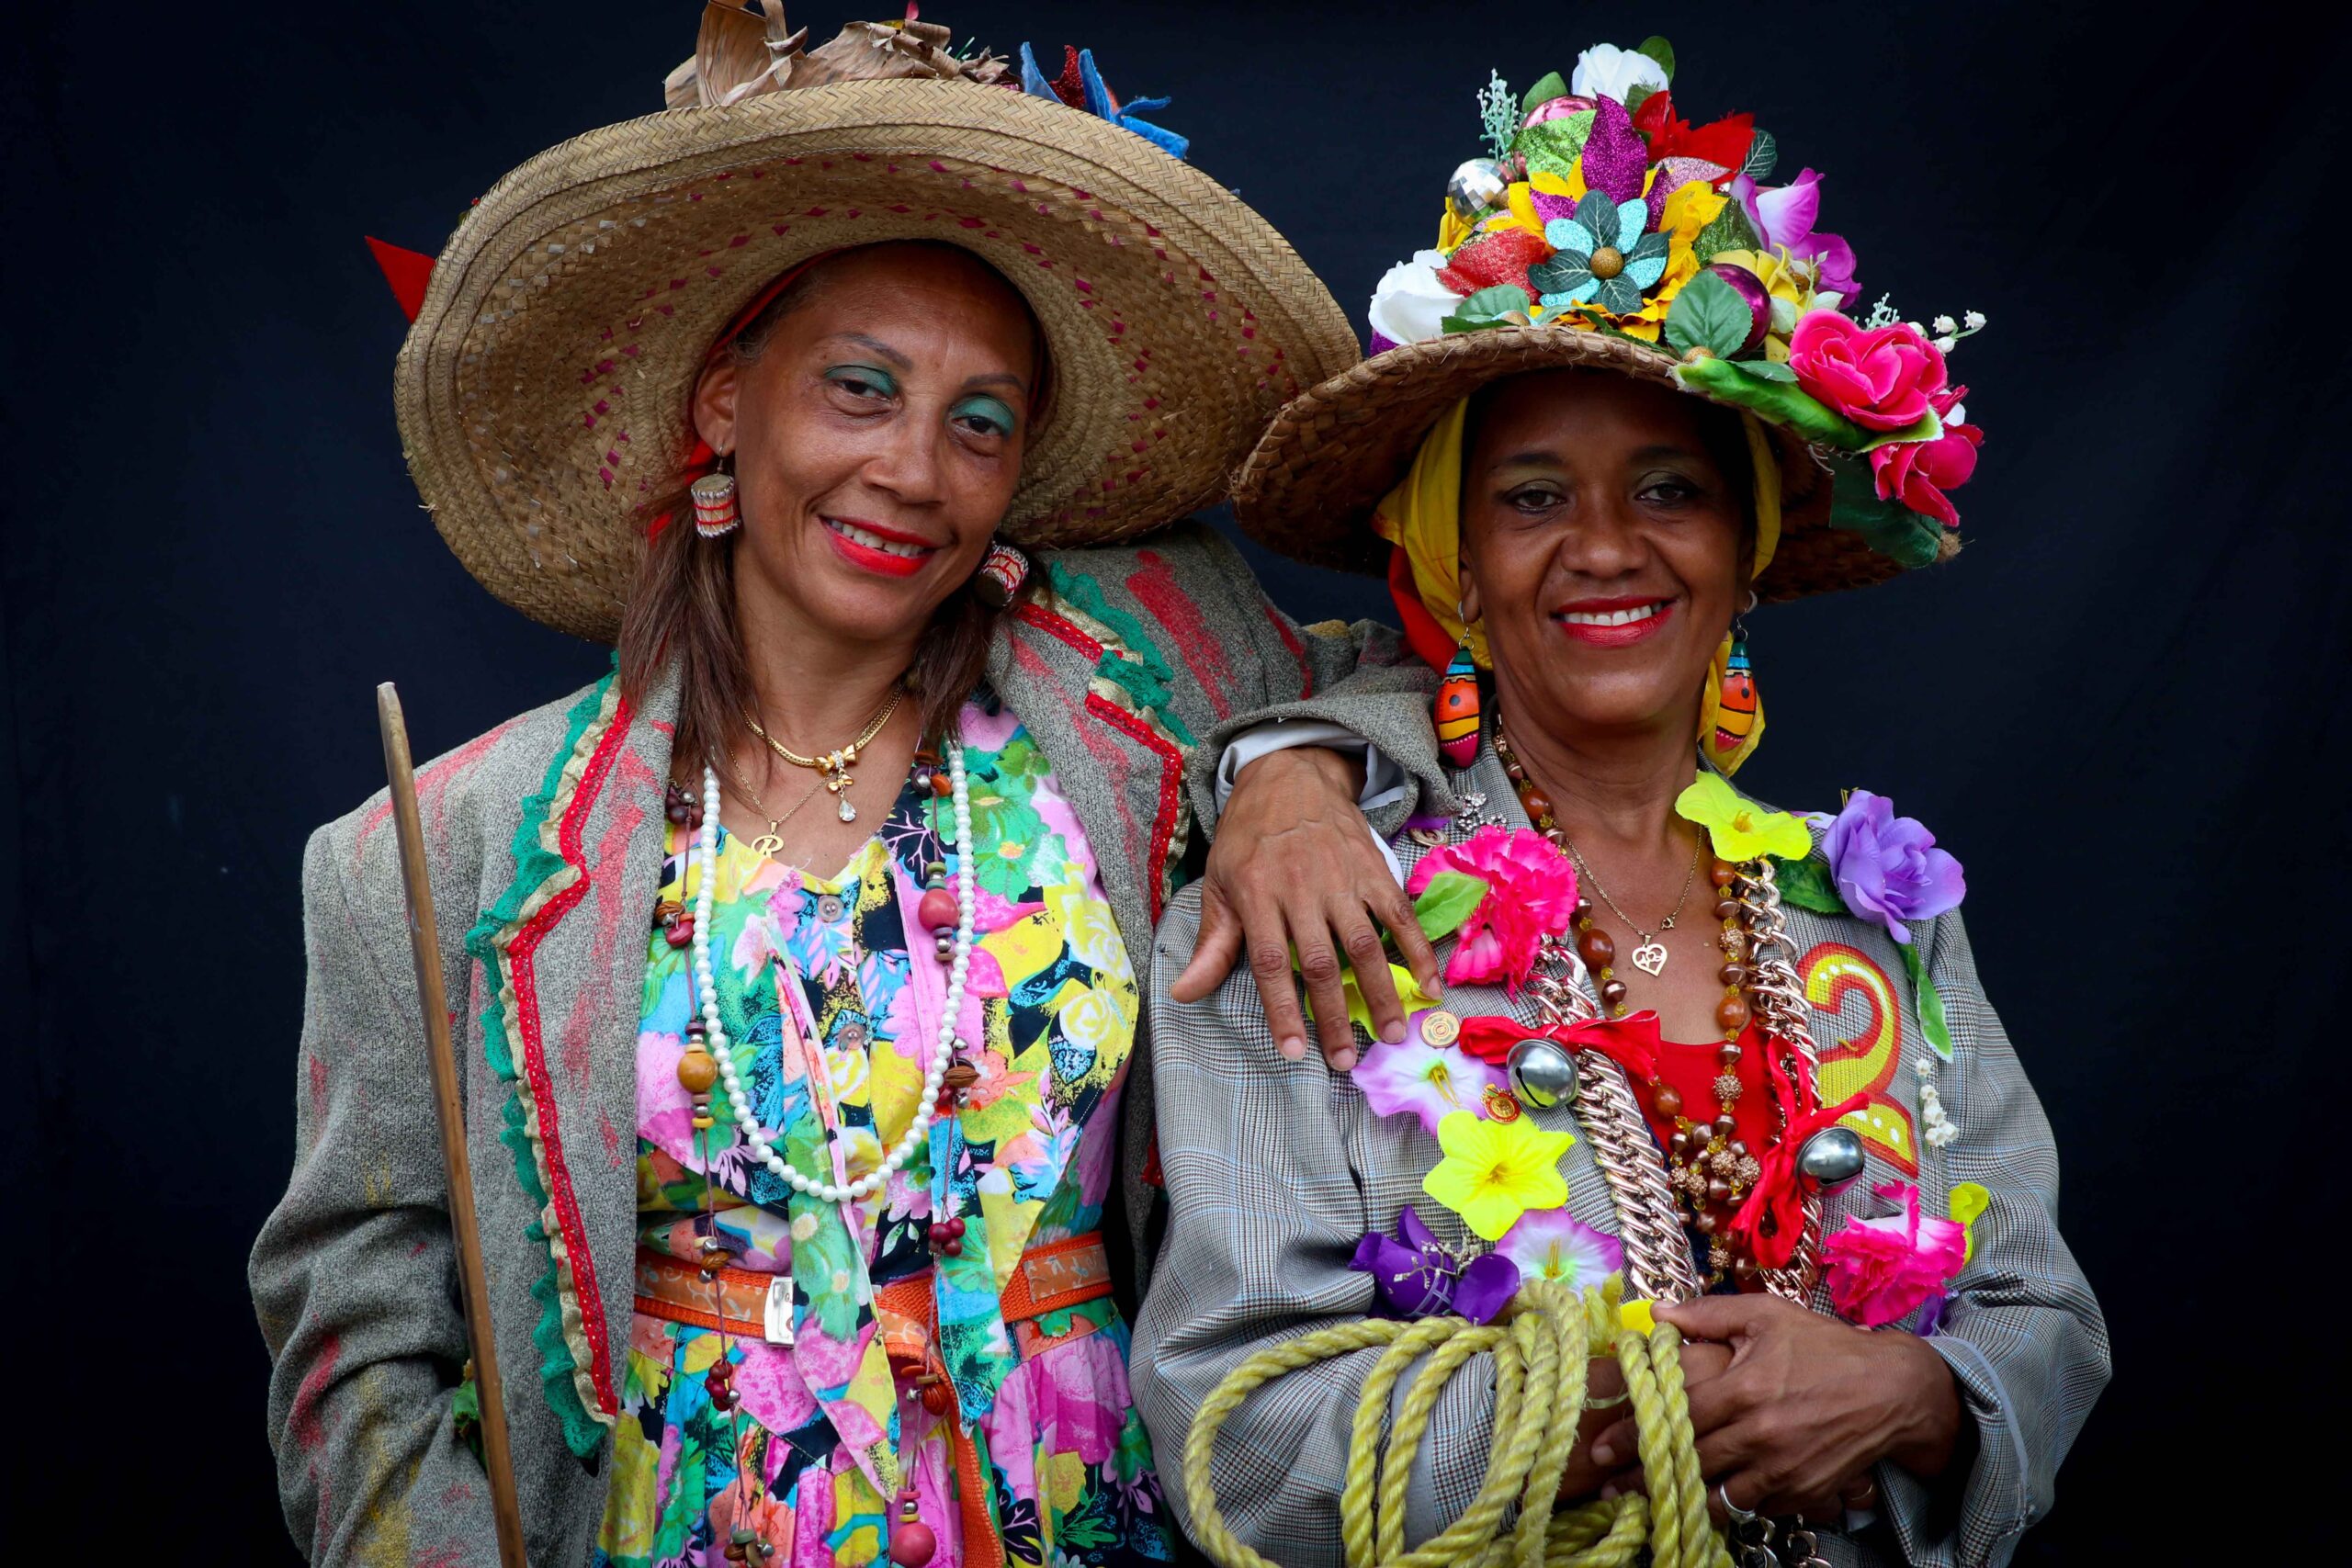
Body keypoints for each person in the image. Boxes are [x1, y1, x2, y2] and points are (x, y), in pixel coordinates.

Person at [250, 12, 1441, 1566]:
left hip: (1098, 1520)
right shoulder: (446, 844)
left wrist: (1291, 766)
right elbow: (356, 1336)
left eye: (981, 423)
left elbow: (1445, 664)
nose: (915, 471)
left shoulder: (1146, 698)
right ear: (722, 411)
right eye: (860, 390)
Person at [1136, 39, 2108, 1568]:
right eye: (1531, 496)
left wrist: (1921, 1397)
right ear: (1454, 558)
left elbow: (2043, 1315)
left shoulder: (1876, 912)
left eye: (1668, 488)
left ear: (1745, 544)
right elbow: (1234, 1435)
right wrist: (1603, 1403)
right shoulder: (1297, 913)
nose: (1605, 547)